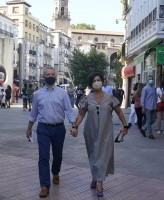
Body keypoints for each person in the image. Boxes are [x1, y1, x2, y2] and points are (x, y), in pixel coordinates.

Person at [70, 72, 129, 198]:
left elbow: (119, 112)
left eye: (99, 79)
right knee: (93, 155)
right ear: (91, 84)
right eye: (94, 80)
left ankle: (100, 183)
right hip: (90, 132)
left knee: (102, 156)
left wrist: (125, 126)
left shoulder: (110, 98)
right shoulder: (86, 99)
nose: (97, 82)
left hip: (106, 132)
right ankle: (94, 177)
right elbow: (81, 114)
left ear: (102, 81)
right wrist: (75, 126)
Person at [25, 67, 76, 198]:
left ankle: (56, 172)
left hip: (59, 129)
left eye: (52, 74)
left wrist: (74, 125)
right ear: (44, 77)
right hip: (43, 129)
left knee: (57, 155)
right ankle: (44, 186)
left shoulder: (62, 93)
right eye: (48, 74)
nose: (50, 76)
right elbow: (34, 113)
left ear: (56, 76)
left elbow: (69, 111)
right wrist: (29, 128)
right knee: (43, 157)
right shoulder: (38, 94)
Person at [140, 75, 157, 139]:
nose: (151, 80)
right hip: (147, 107)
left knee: (153, 120)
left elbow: (156, 97)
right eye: (150, 79)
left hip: (154, 107)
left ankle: (143, 128)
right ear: (147, 80)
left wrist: (156, 105)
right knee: (149, 121)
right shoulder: (145, 88)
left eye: (152, 79)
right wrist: (143, 107)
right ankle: (150, 134)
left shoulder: (154, 88)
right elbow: (143, 98)